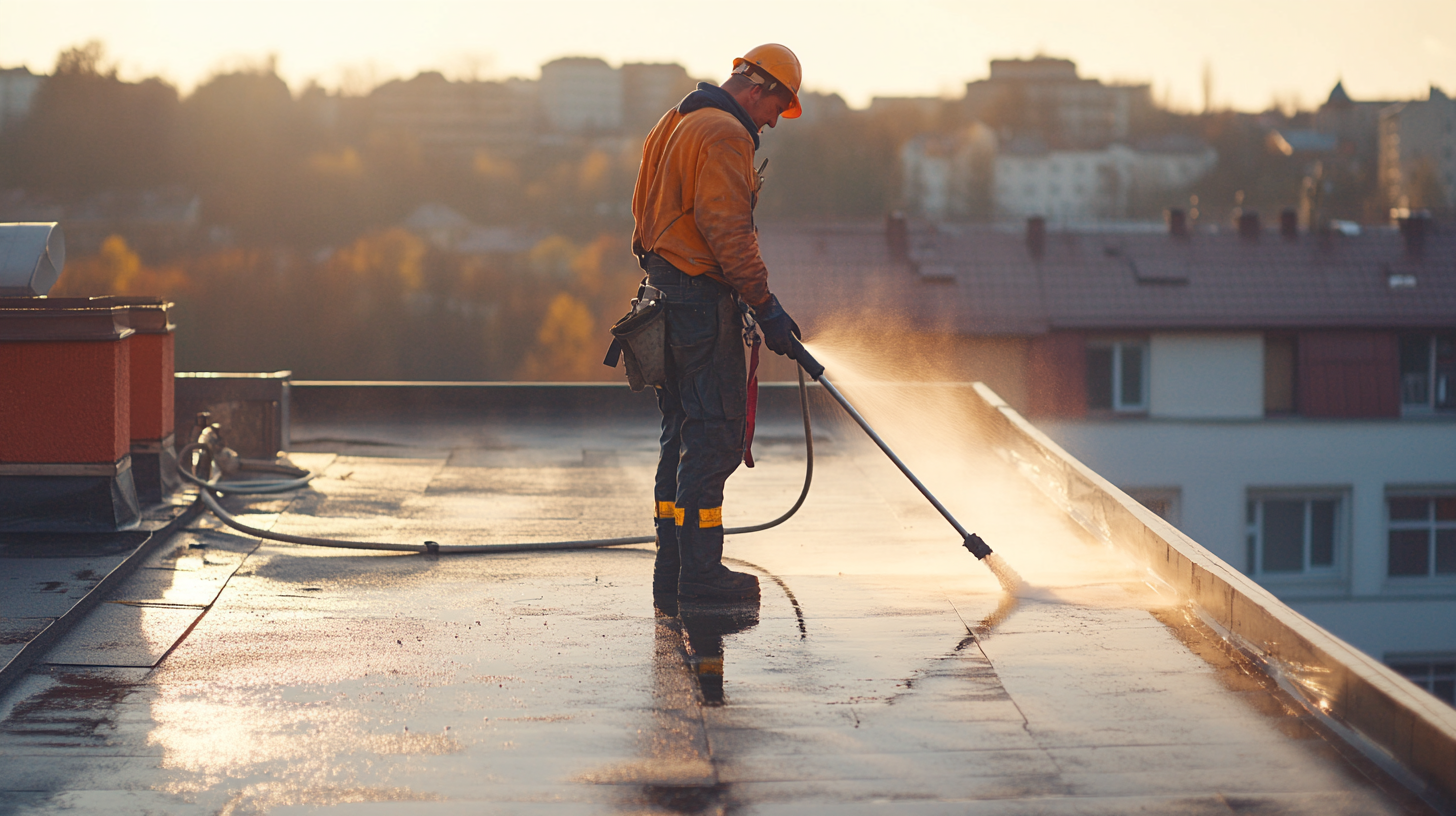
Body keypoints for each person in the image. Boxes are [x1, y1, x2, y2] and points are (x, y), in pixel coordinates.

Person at [629, 44, 805, 603]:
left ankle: (672, 572)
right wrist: (765, 305)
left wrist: (664, 275)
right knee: (713, 436)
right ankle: (701, 577)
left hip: (661, 292)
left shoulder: (675, 120)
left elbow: (643, 208)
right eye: (777, 107)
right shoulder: (726, 134)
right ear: (758, 88)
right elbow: (728, 230)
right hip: (699, 301)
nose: (774, 121)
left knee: (678, 432)